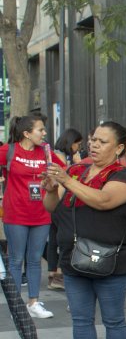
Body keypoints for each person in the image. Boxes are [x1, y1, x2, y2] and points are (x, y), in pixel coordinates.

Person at [42, 121, 126, 339]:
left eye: (102, 141)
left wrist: (66, 180)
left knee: (113, 320)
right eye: (93, 139)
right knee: (81, 320)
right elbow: (51, 207)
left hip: (111, 260)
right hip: (74, 259)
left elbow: (103, 200)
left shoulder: (124, 176)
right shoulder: (76, 171)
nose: (94, 145)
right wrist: (52, 187)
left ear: (120, 147)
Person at [0, 113, 66, 319]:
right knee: (16, 260)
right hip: (15, 214)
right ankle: (16, 307)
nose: (45, 133)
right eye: (41, 130)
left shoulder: (46, 152)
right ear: (27, 133)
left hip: (41, 213)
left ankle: (33, 303)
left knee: (35, 259)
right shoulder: (9, 150)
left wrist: (56, 177)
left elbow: (63, 172)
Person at [46, 128, 84, 291]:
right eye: (78, 144)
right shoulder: (61, 159)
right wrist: (77, 162)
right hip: (61, 202)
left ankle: (52, 273)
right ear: (71, 143)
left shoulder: (58, 156)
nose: (79, 148)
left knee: (54, 238)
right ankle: (59, 274)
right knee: (62, 238)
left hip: (56, 201)